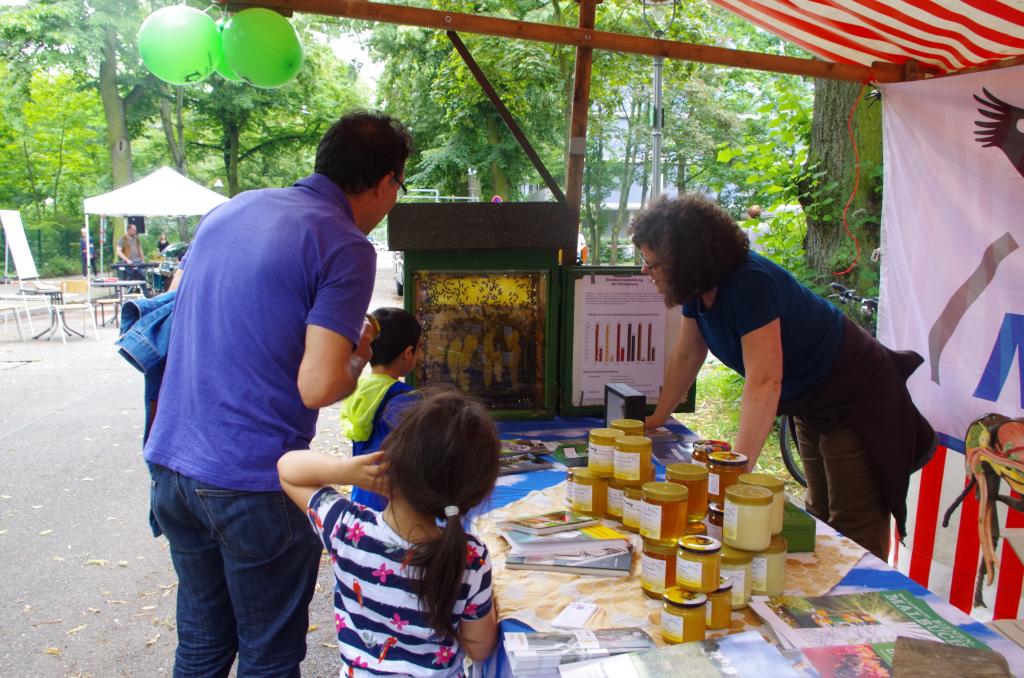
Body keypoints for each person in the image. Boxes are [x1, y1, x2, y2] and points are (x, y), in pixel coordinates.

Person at [143, 110, 412, 677]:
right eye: (399, 187)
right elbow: (318, 387)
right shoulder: (346, 244)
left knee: (201, 642)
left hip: (172, 465)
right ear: (386, 181)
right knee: (268, 653)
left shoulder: (232, 209)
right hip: (253, 482)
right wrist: (359, 356)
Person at [633, 194, 934, 561]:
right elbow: (688, 353)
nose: (645, 272)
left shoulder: (750, 285)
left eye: (652, 263)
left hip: (859, 398)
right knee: (819, 518)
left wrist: (737, 470)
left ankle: (860, 609)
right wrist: (660, 416)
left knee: (853, 527)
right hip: (812, 400)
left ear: (687, 260)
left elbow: (765, 380)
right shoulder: (698, 290)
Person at [278, 389, 500, 677]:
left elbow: (287, 468)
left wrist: (346, 471)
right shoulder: (471, 557)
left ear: (391, 456)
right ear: (473, 493)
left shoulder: (348, 529)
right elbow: (480, 648)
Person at [338, 306, 422, 510]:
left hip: (362, 495)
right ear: (408, 352)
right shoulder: (407, 399)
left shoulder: (356, 387)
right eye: (420, 347)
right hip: (393, 501)